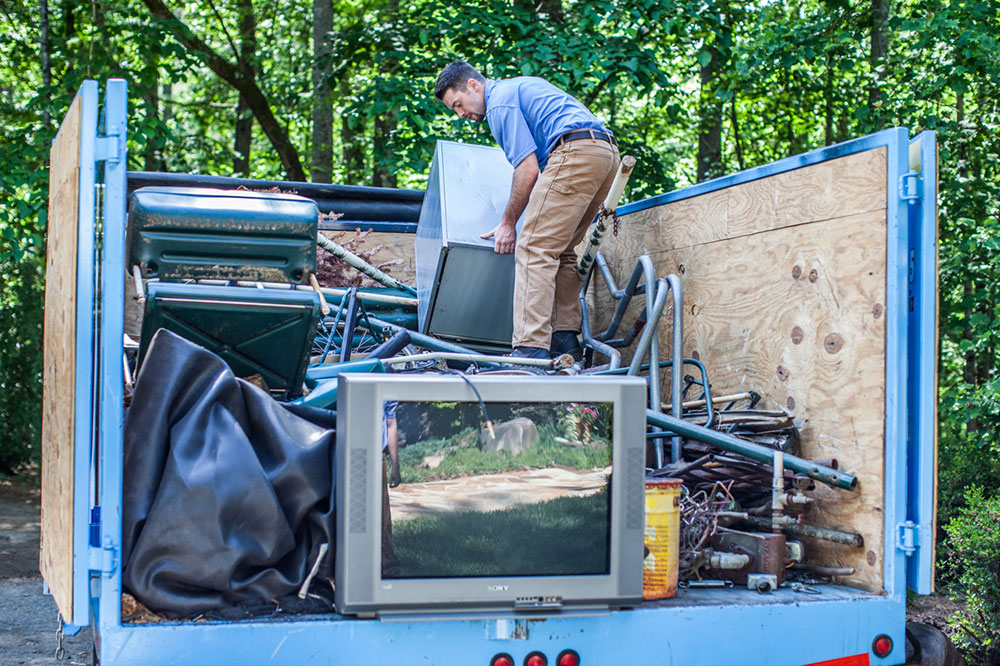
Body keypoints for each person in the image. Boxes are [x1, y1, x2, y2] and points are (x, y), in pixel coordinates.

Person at [434, 60, 621, 360]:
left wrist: (508, 222)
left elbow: (527, 169)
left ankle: (529, 349)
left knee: (533, 248)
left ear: (473, 84)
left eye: (458, 104)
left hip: (575, 152)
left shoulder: (498, 105)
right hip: (607, 155)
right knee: (561, 251)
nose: (462, 115)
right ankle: (565, 342)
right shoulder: (518, 87)